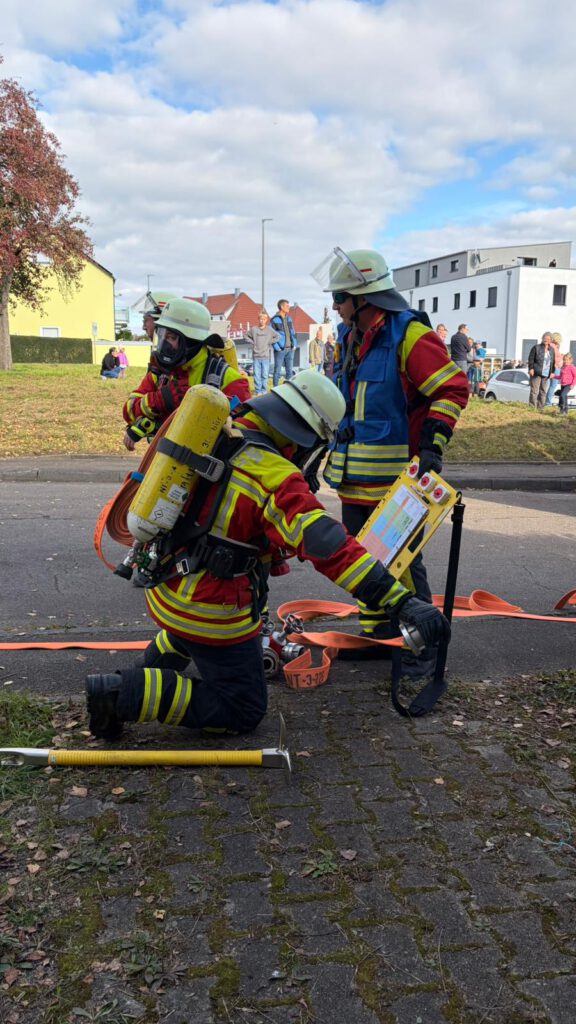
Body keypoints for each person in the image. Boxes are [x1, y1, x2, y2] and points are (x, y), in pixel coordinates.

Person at [85, 370, 450, 739]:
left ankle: (141, 671)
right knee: (243, 707)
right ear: (306, 437)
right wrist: (401, 602)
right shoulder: (274, 477)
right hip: (210, 611)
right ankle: (119, 695)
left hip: (168, 588)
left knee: (187, 638)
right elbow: (329, 545)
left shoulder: (225, 428)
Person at [311, 246, 469, 677]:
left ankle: (424, 646)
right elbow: (343, 405)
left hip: (398, 480)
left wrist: (433, 444)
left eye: (339, 298)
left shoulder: (408, 334)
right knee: (363, 558)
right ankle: (381, 637)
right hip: (354, 477)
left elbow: (451, 388)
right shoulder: (350, 338)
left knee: (402, 565)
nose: (335, 306)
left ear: (364, 298)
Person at [122, 298, 250, 451]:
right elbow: (128, 410)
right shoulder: (161, 373)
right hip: (162, 461)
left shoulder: (229, 381)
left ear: (191, 341)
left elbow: (241, 439)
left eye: (171, 337)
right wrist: (160, 400)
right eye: (162, 336)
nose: (164, 344)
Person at [244, 312, 279, 395]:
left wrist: (270, 342)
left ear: (266, 320)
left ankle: (264, 390)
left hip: (266, 356)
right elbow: (245, 336)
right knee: (256, 375)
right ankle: (258, 391)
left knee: (265, 374)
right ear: (258, 319)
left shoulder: (269, 330)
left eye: (264, 319)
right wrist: (252, 342)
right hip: (256, 356)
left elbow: (278, 336)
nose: (262, 321)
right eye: (261, 319)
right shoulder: (254, 329)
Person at [270, 300, 297, 386]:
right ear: (282, 307)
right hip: (280, 350)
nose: (289, 307)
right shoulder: (274, 320)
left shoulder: (289, 318)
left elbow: (293, 332)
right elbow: (271, 335)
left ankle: (289, 390)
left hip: (290, 349)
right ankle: (275, 389)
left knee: (289, 371)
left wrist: (295, 344)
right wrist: (277, 347)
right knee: (277, 371)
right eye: (287, 306)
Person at [528, 332, 556, 410]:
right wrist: (531, 368)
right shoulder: (536, 347)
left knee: (543, 391)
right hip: (536, 372)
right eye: (545, 338)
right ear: (542, 338)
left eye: (548, 339)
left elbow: (553, 361)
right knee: (534, 391)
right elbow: (531, 359)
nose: (546, 340)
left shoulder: (552, 350)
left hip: (546, 373)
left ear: (551, 340)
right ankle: (532, 407)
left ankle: (541, 408)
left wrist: (552, 372)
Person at [545, 334, 563, 406]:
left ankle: (546, 402)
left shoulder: (551, 345)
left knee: (549, 385)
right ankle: (548, 403)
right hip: (555, 367)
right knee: (552, 386)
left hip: (549, 367)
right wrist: (562, 356)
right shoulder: (553, 346)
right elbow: (554, 357)